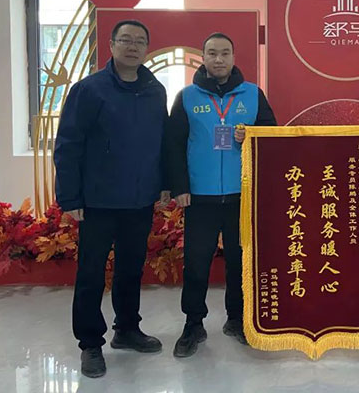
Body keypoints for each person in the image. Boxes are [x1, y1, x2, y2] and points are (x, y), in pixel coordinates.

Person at [54, 19, 167, 379]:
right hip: (97, 201)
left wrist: (163, 184)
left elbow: (162, 143)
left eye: (140, 41)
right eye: (126, 40)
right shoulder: (89, 90)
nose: (133, 47)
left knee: (131, 268)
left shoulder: (155, 91)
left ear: (146, 48)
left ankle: (127, 329)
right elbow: (68, 145)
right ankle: (90, 343)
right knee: (91, 273)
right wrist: (70, 197)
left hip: (139, 199)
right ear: (112, 45)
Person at [166, 32, 277, 358]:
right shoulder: (187, 97)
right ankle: (193, 324)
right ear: (203, 58)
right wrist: (180, 187)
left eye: (225, 53)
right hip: (199, 196)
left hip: (242, 194)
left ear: (233, 57)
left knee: (240, 261)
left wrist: (252, 134)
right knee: (196, 262)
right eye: (212, 53)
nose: (218, 59)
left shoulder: (253, 94)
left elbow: (272, 135)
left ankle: (237, 319)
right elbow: (173, 145)